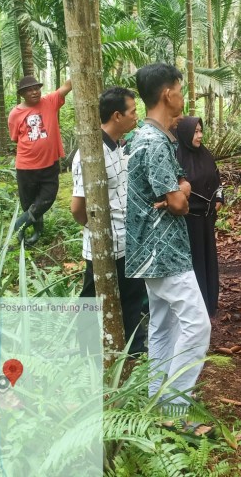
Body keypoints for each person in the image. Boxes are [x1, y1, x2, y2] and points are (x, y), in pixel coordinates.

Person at [126, 63, 211, 412]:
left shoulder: (144, 136)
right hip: (164, 250)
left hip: (147, 249)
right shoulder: (155, 141)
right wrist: (181, 193)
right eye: (180, 88)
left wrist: (181, 189)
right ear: (167, 93)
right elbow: (176, 202)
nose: (182, 96)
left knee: (162, 328)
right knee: (197, 326)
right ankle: (174, 411)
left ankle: (155, 403)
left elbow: (177, 190)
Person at [71, 87, 147, 355]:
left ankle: (133, 352)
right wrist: (96, 230)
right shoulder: (91, 154)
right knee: (93, 299)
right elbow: (78, 207)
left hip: (128, 241)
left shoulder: (119, 146)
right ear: (117, 115)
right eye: (132, 111)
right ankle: (87, 352)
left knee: (132, 298)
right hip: (104, 245)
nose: (136, 116)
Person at [8, 75, 73, 244]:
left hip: (49, 164)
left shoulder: (50, 101)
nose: (34, 92)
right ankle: (36, 233)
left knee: (47, 198)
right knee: (30, 202)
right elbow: (15, 137)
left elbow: (67, 85)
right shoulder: (15, 114)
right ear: (22, 93)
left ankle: (20, 224)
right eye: (29, 90)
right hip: (26, 167)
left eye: (36, 88)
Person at [175, 117, 224, 317]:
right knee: (194, 262)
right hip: (188, 220)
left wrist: (219, 198)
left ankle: (209, 302)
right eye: (195, 132)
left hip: (207, 218)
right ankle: (195, 307)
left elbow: (218, 180)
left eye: (200, 130)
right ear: (186, 134)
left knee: (208, 259)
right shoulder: (177, 157)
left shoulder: (206, 154)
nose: (199, 135)